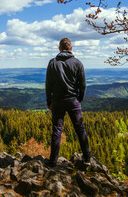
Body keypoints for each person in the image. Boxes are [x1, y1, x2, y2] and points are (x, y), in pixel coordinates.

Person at [45, 38, 91, 167]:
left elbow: (48, 84)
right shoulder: (77, 63)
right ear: (71, 48)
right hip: (73, 100)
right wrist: (79, 99)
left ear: (59, 48)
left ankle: (53, 161)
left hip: (57, 101)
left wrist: (49, 101)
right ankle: (87, 158)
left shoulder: (52, 62)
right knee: (80, 129)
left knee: (57, 130)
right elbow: (83, 85)